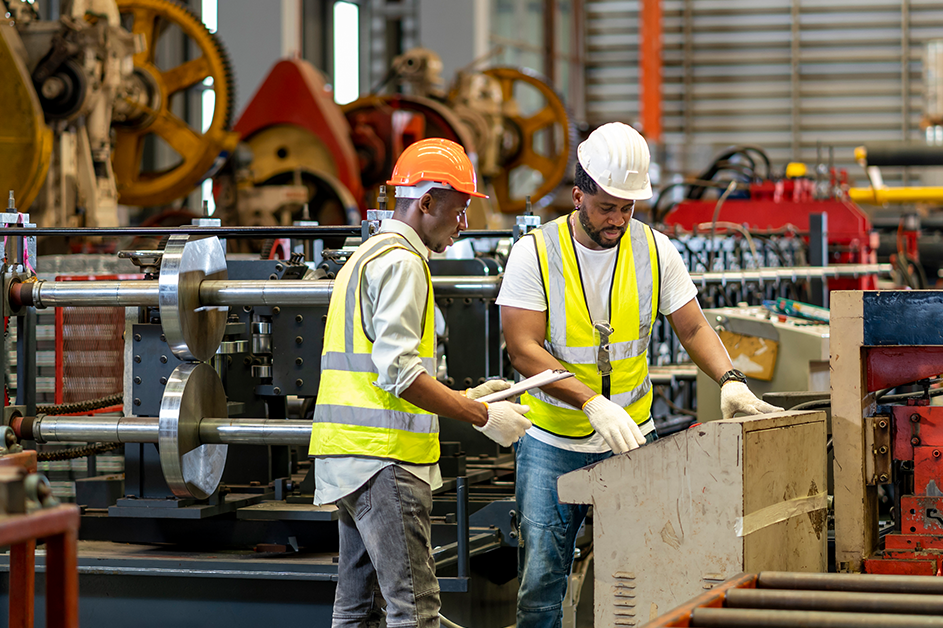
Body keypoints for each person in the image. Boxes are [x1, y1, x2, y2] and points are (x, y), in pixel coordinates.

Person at [496, 122, 783, 628]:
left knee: (640, 575)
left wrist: (732, 378)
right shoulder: (535, 253)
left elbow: (693, 327)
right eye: (608, 207)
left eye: (628, 208)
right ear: (578, 193)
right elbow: (522, 348)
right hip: (550, 441)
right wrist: (589, 401)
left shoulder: (654, 250)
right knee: (542, 584)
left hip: (631, 440)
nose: (619, 219)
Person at [309, 137, 534, 628]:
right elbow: (401, 374)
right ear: (426, 202)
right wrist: (482, 415)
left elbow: (379, 366)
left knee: (356, 611)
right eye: (457, 211)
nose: (464, 225)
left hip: (349, 458)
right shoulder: (403, 263)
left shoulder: (367, 256)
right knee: (416, 612)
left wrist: (465, 395)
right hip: (385, 462)